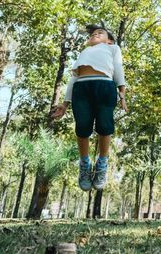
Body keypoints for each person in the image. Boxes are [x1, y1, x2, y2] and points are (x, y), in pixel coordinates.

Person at [51, 23, 127, 191]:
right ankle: (84, 165)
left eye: (100, 33)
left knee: (105, 126)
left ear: (109, 41)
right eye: (93, 34)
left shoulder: (113, 49)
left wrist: (122, 94)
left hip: (105, 86)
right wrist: (64, 104)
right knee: (82, 127)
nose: (95, 34)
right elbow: (73, 78)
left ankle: (102, 164)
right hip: (82, 89)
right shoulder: (84, 52)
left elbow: (119, 69)